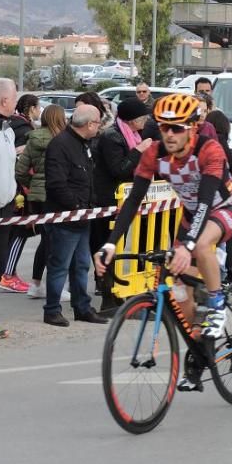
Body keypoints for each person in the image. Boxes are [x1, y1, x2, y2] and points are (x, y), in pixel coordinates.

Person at [96, 95, 232, 388]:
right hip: (192, 215)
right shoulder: (154, 153)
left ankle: (216, 305)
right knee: (179, 291)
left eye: (177, 128)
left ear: (192, 128)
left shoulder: (209, 149)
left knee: (202, 246)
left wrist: (187, 246)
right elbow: (134, 200)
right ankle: (201, 349)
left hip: (224, 208)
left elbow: (205, 200)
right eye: (164, 127)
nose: (169, 134)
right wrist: (111, 243)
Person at [43, 104, 106, 327]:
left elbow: (87, 178)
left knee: (81, 265)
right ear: (89, 124)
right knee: (59, 265)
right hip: (65, 218)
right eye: (98, 122)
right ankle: (52, 310)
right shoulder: (60, 146)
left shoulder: (83, 144)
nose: (99, 127)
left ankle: (82, 307)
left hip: (82, 217)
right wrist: (77, 205)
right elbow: (56, 184)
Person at [91, 98, 153, 312]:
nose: (146, 121)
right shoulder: (113, 137)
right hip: (107, 200)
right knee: (107, 246)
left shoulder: (133, 134)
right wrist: (139, 151)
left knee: (118, 247)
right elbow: (119, 169)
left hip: (121, 200)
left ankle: (118, 294)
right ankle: (108, 297)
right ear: (132, 120)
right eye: (143, 117)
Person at [15, 104, 71, 302]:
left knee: (45, 241)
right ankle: (55, 287)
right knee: (60, 243)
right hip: (58, 196)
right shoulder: (65, 140)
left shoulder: (34, 139)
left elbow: (21, 171)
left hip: (37, 197)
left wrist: (34, 186)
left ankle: (35, 284)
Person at [0, 93, 41, 294]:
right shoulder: (24, 129)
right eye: (38, 107)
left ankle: (6, 272)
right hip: (19, 190)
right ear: (32, 108)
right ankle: (7, 274)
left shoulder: (9, 126)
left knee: (12, 231)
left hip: (12, 189)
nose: (40, 111)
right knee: (20, 231)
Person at [206, 108, 232, 283]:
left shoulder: (214, 145)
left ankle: (219, 280)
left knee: (205, 243)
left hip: (227, 203)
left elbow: (230, 165)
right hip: (211, 200)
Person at [0, 78, 18, 338]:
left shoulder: (7, 130)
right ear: (4, 100)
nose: (17, 102)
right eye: (15, 97)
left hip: (5, 211)